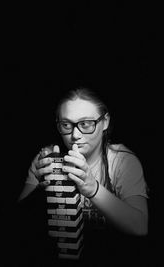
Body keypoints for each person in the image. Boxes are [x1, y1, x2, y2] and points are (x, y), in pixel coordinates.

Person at [18, 86, 149, 266]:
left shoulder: (123, 162)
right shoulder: (47, 158)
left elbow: (140, 227)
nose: (75, 135)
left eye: (86, 124)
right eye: (66, 125)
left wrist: (93, 189)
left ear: (105, 122)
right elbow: (15, 226)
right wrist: (39, 189)